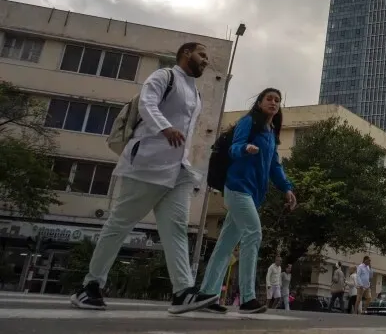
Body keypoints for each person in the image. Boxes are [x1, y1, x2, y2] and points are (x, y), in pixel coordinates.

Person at [69, 43, 217, 314]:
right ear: (185, 54)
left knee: (176, 230)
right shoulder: (164, 77)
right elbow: (147, 104)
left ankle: (182, 291)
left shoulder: (196, 92)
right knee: (120, 225)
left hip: (178, 171)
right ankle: (89, 286)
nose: (206, 61)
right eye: (202, 55)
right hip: (147, 165)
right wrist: (165, 127)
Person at [193, 88, 297, 314]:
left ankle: (206, 295)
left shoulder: (270, 132)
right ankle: (248, 298)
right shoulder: (249, 122)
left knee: (225, 245)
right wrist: (245, 148)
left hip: (252, 194)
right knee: (254, 232)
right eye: (269, 98)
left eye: (277, 100)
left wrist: (287, 188)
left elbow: (273, 166)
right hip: (237, 187)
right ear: (260, 102)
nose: (273, 102)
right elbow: (233, 147)